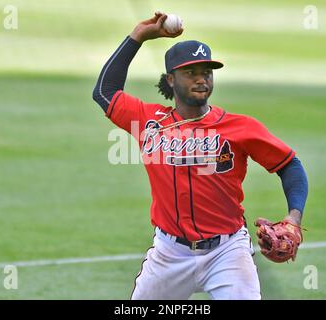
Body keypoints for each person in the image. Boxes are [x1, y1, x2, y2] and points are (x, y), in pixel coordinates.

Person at [92, 12, 308, 300]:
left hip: (227, 252)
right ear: (170, 79)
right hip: (169, 254)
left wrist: (293, 219)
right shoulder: (148, 121)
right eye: (190, 73)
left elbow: (290, 164)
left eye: (206, 72)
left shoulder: (239, 127)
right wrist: (137, 37)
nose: (201, 79)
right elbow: (105, 91)